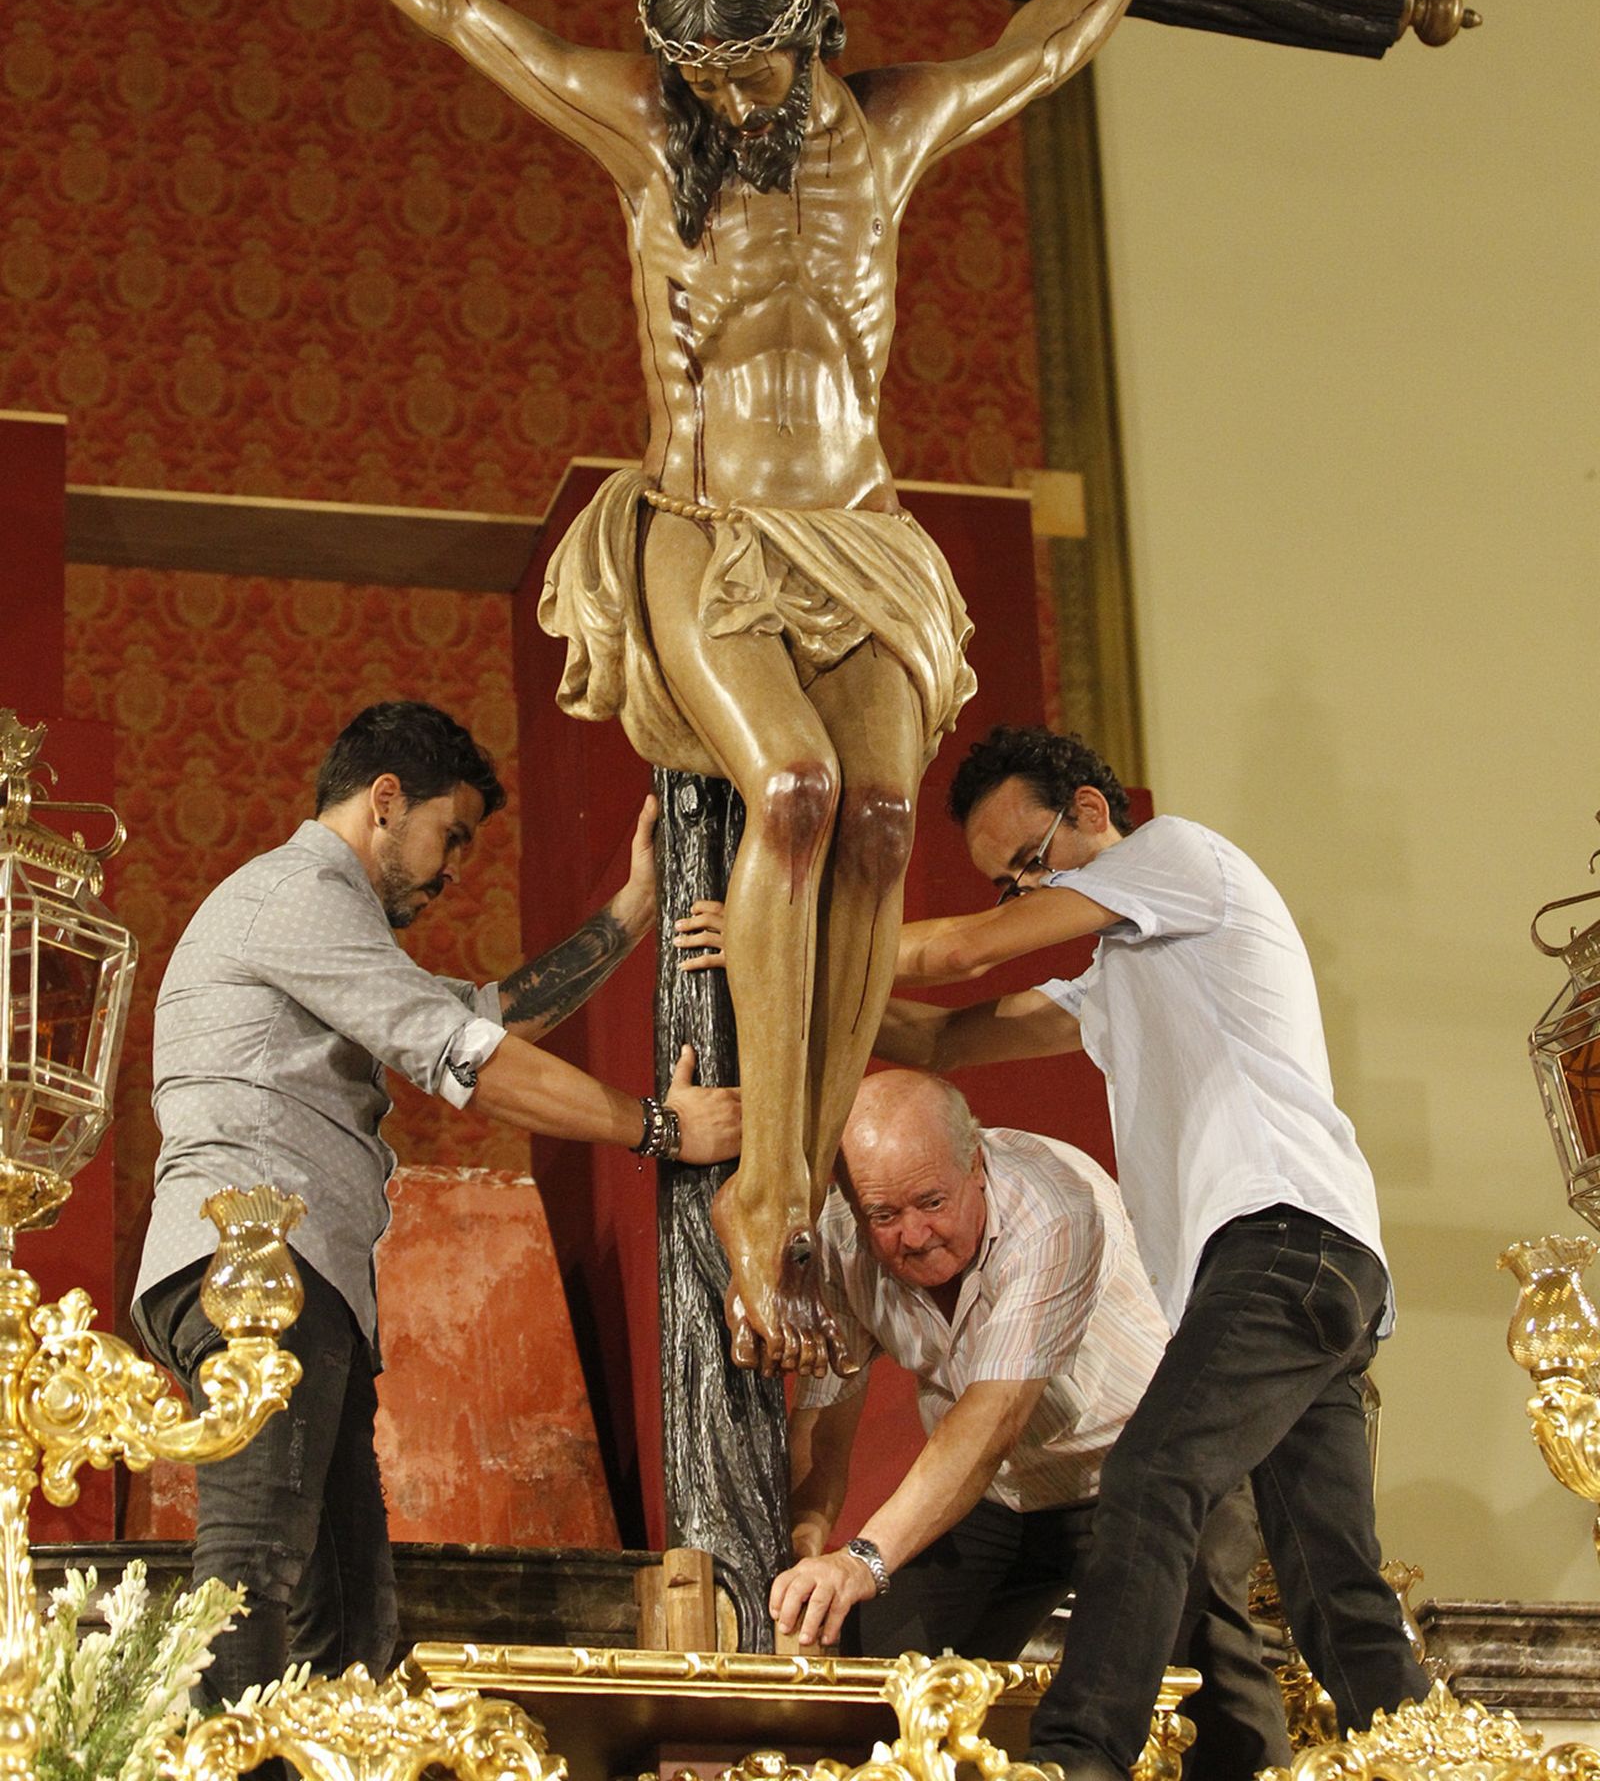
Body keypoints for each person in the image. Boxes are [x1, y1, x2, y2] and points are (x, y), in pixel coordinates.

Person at [208, 0, 1238, 1377]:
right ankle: (760, 1193)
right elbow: (468, 15)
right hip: (701, 528)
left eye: (749, 72)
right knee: (799, 798)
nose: (719, 100)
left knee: (888, 821)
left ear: (811, 36)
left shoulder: (886, 135)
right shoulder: (647, 133)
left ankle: (809, 1153)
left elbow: (1039, 57)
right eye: (698, 74)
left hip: (860, 534)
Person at [132, 698, 739, 1709]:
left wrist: (635, 909)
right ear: (383, 800)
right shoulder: (296, 894)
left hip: (302, 1275)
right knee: (256, 1561)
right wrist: (661, 1128)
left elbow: (484, 1013)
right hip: (255, 1267)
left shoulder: (328, 923)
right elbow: (468, 1057)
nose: (453, 865)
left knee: (347, 1609)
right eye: (449, 834)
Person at [865, 724, 1429, 1780]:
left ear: (1088, 809)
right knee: (1331, 1586)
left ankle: (1080, 1759)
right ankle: (1425, 1760)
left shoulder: (1179, 858)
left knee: (1150, 1477)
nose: (1019, 894)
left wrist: (795, 930)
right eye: (1004, 884)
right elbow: (940, 1038)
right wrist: (802, 1003)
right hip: (1312, 1276)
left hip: (1282, 1242)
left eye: (1027, 864)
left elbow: (957, 955)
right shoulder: (1127, 969)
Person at [767, 1069, 1291, 1781]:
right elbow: (825, 1417)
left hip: (1145, 1471)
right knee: (879, 1664)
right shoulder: (840, 1232)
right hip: (1004, 1498)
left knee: (1211, 1674)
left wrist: (862, 1558)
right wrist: (807, 1543)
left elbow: (993, 1417)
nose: (913, 1236)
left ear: (976, 1163)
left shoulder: (1055, 1204)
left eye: (931, 1203)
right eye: (884, 1216)